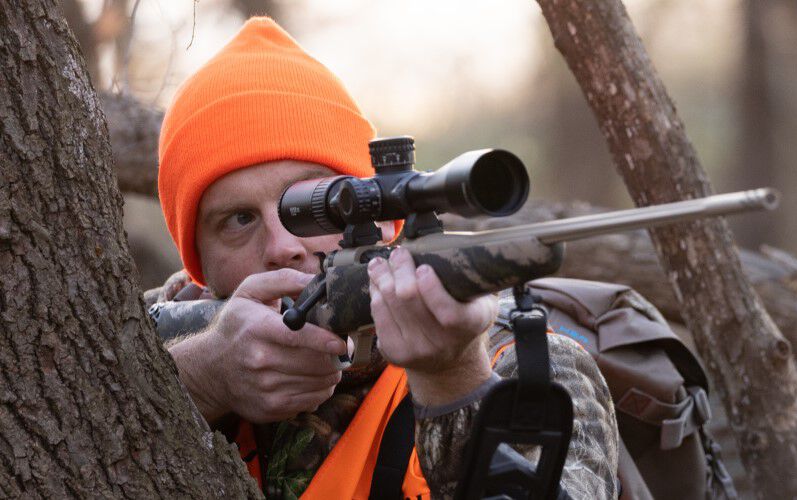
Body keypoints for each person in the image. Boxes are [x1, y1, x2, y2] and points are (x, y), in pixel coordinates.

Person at [144, 17, 619, 499]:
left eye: (311, 204)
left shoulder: (534, 366)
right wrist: (205, 378)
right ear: (198, 265)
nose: (282, 245)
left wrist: (453, 381)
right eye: (239, 219)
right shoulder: (167, 335)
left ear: (383, 216)